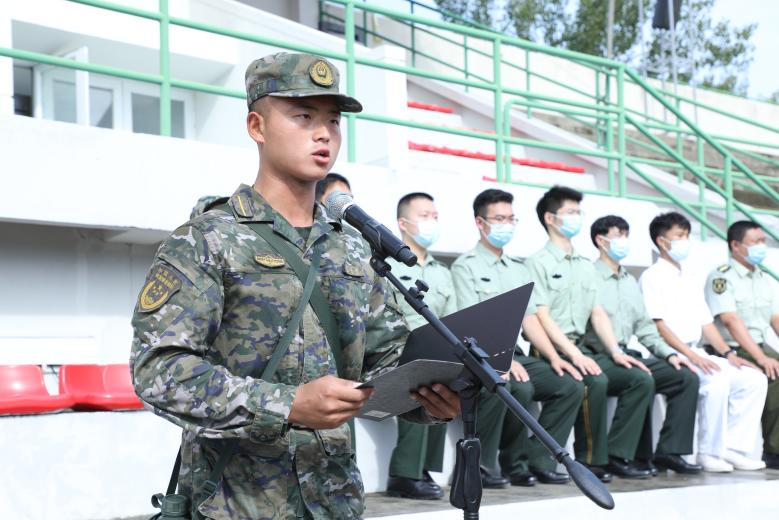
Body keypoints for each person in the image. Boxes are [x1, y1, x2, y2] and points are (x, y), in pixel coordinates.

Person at [130, 52, 460, 520]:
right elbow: (158, 371)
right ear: (257, 126)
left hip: (335, 500)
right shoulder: (207, 239)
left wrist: (432, 396)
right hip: (235, 504)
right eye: (303, 116)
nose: (323, 133)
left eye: (333, 121)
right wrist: (287, 405)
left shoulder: (350, 247)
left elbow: (385, 358)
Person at [451, 189, 584, 488]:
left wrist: (555, 358)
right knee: (514, 387)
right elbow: (468, 322)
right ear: (480, 223)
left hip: (516, 355)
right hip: (480, 357)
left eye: (511, 219)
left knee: (568, 385)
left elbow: (531, 319)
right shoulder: (465, 266)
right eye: (499, 219)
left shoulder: (519, 269)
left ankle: (540, 460)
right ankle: (485, 466)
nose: (506, 225)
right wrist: (501, 359)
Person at [526, 186, 654, 483]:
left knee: (639, 378)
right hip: (550, 349)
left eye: (578, 212)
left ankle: (618, 454)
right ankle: (589, 461)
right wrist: (573, 355)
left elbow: (597, 313)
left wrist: (616, 352)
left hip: (581, 348)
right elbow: (542, 316)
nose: (577, 218)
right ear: (550, 218)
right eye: (570, 212)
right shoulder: (537, 263)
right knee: (594, 381)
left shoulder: (585, 266)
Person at [639, 211, 767, 472]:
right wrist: (691, 356)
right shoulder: (651, 277)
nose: (685, 241)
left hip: (696, 351)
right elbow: (659, 325)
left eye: (687, 235)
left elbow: (706, 323)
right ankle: (708, 453)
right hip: (670, 354)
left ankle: (733, 448)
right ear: (662, 241)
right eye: (679, 236)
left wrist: (728, 353)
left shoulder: (689, 277)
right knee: (716, 379)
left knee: (753, 379)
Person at [586, 215, 702, 475]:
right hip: (599, 354)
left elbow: (645, 327)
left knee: (685, 376)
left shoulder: (629, 280)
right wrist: (615, 352)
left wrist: (669, 354)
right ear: (601, 241)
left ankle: (669, 451)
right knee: (640, 378)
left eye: (626, 235)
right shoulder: (589, 277)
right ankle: (618, 455)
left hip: (627, 354)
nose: (624, 241)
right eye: (618, 236)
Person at [385, 192, 456, 500]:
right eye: (424, 216)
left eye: (435, 216)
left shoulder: (442, 271)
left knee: (449, 381)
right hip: (400, 347)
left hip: (437, 347)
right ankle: (404, 474)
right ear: (403, 224)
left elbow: (453, 316)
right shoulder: (386, 266)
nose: (431, 222)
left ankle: (424, 468)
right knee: (419, 380)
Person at [704, 220, 779, 470]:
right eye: (755, 242)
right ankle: (774, 451)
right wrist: (762, 358)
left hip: (759, 345)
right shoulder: (722, 277)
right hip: (733, 348)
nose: (761, 246)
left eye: (763, 241)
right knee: (775, 375)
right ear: (735, 246)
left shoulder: (763, 278)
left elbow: (775, 318)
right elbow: (731, 321)